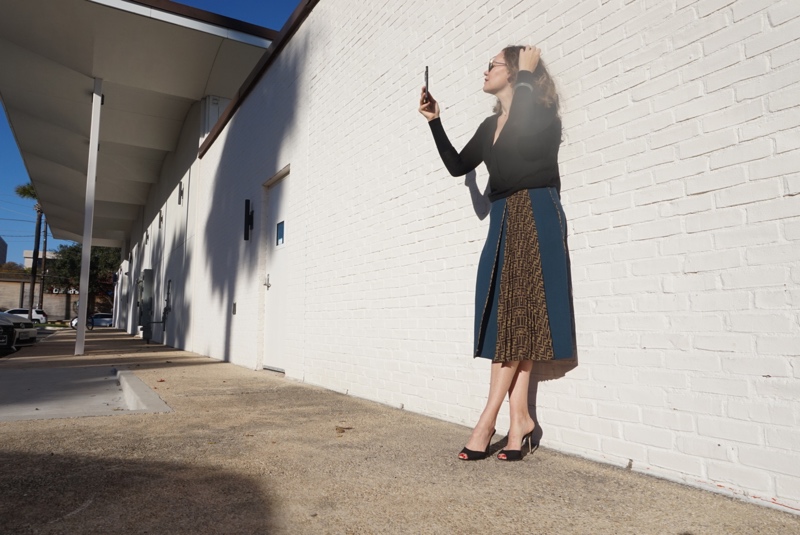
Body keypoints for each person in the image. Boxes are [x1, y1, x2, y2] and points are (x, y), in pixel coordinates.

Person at [418, 46, 575, 461]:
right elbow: (457, 165)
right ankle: (520, 419)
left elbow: (523, 139)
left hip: (536, 211)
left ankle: (487, 420)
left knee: (516, 316)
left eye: (493, 65)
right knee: (510, 317)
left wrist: (525, 73)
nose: (485, 71)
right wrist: (436, 122)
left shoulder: (541, 115)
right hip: (504, 216)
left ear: (517, 73)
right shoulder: (490, 126)